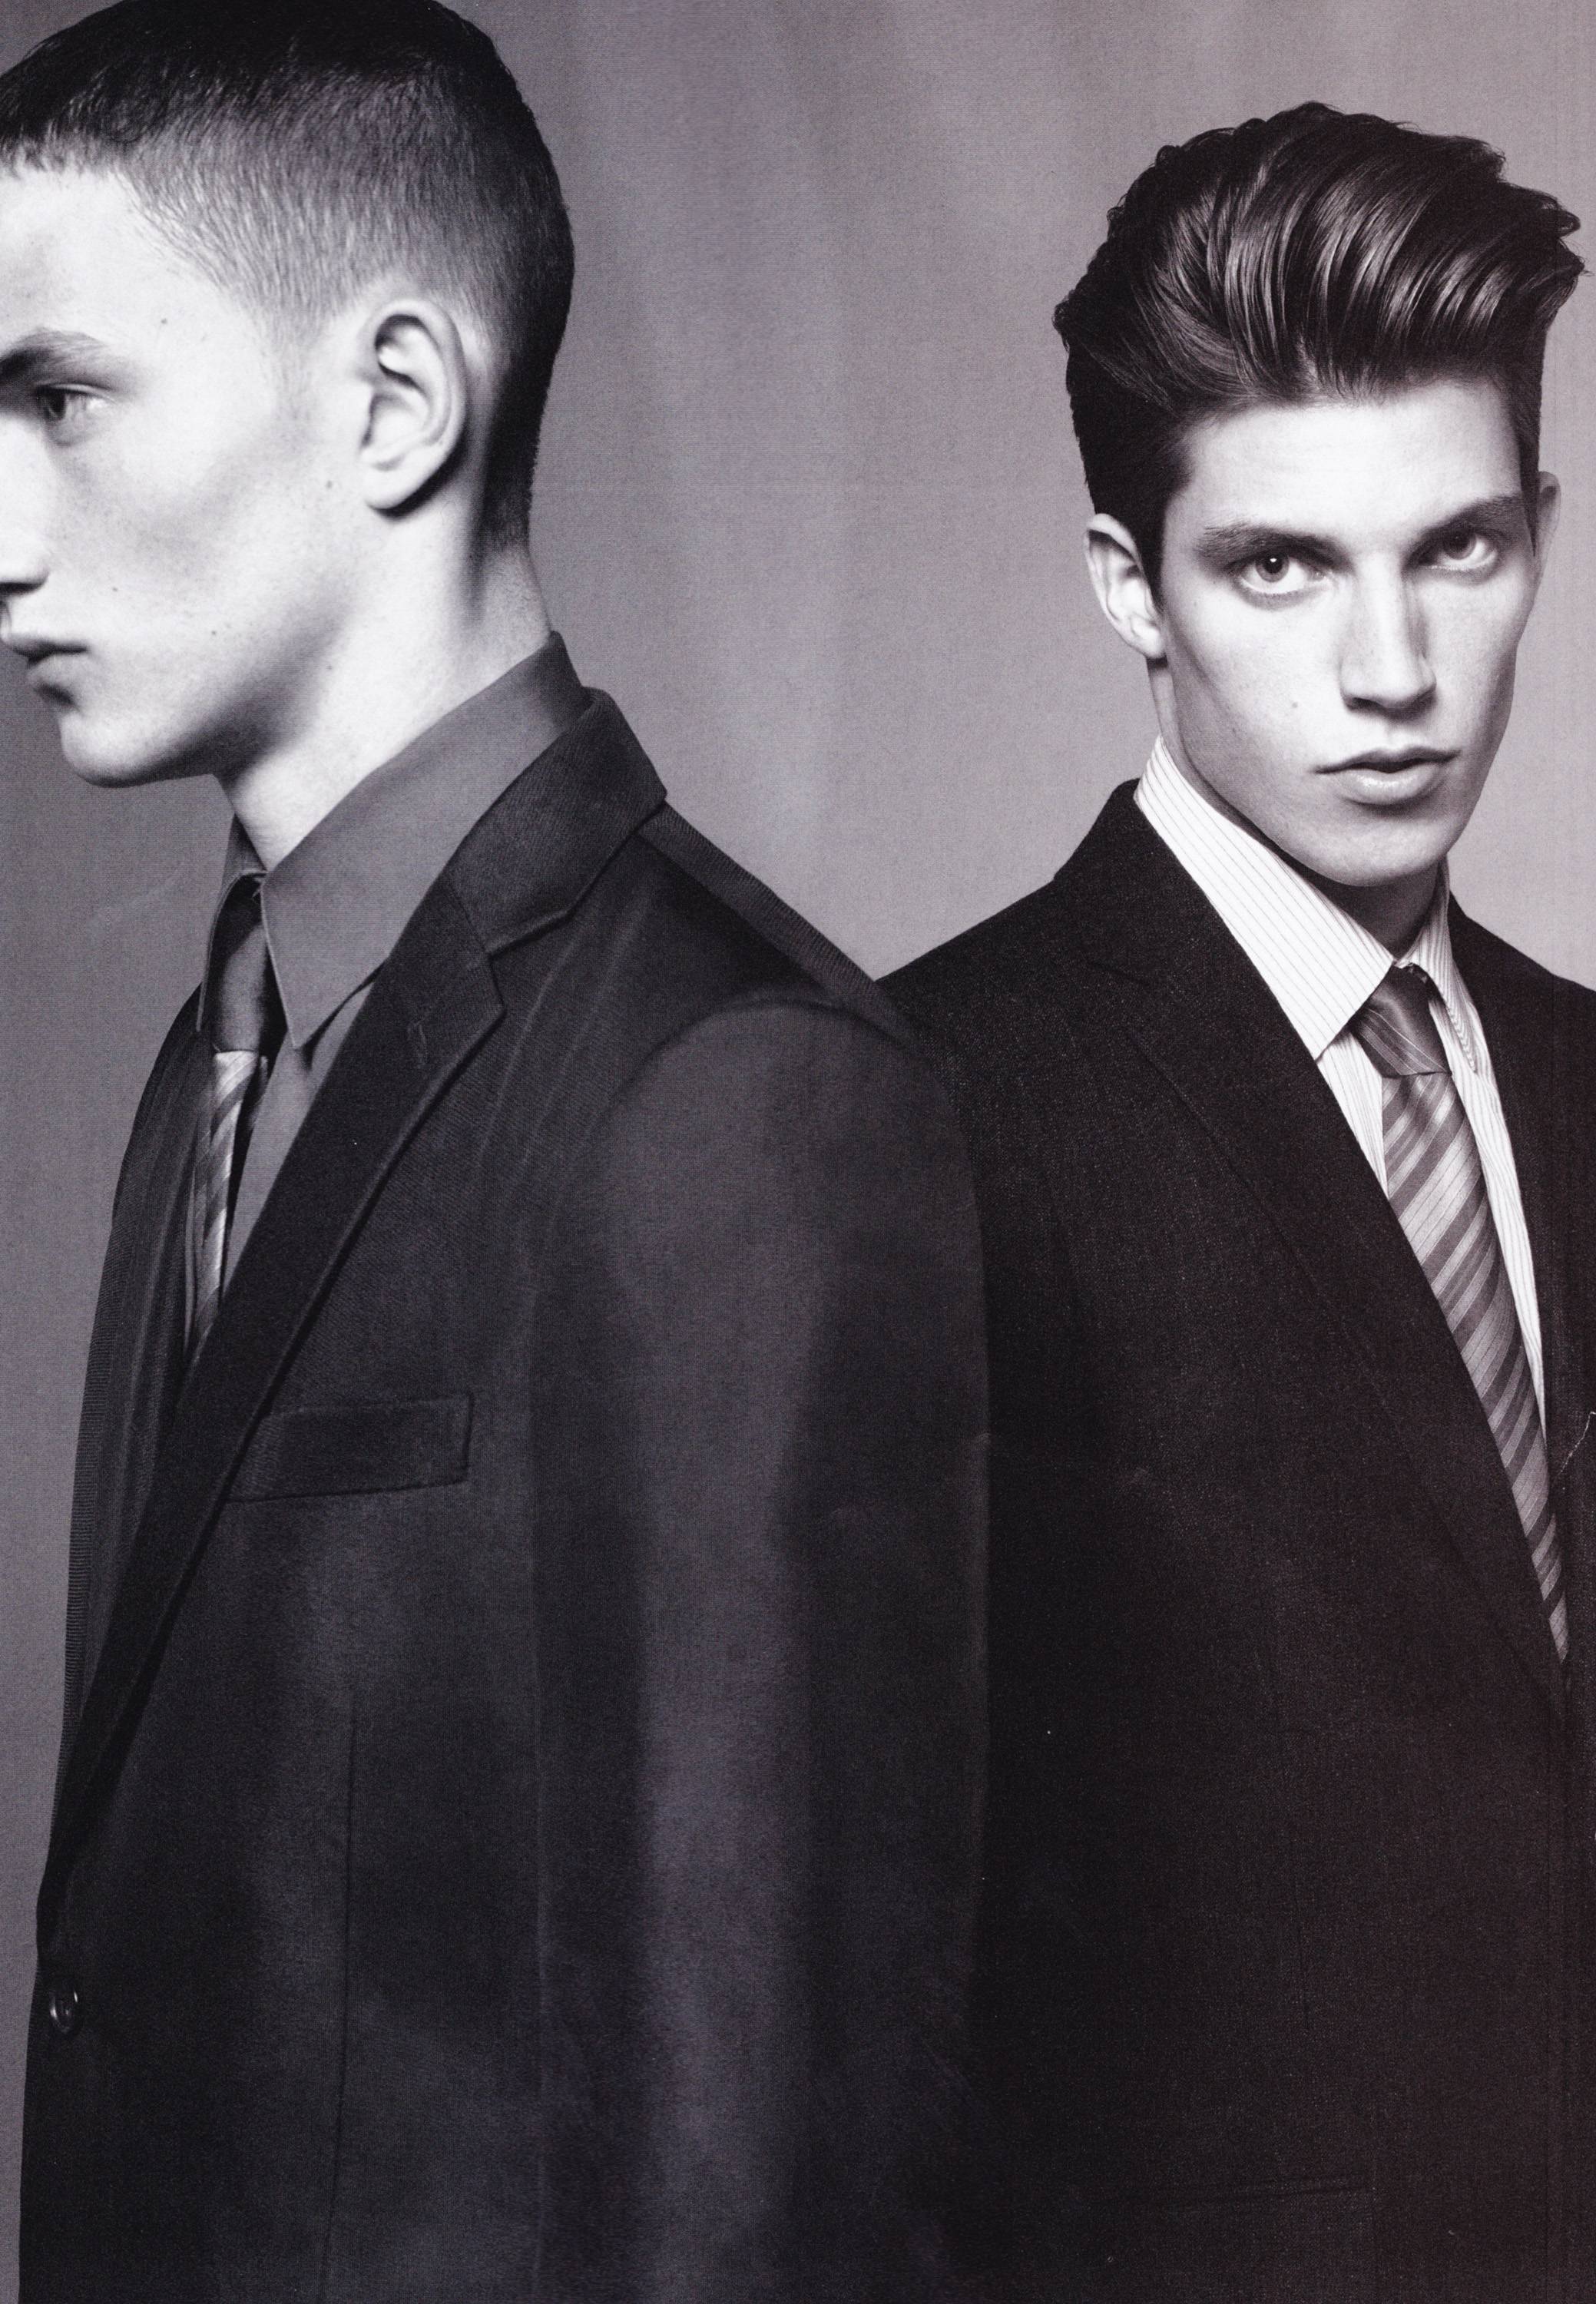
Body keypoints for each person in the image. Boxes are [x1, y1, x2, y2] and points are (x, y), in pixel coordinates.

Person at [4, 4, 986, 2296]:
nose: (6, 523)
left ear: (395, 404)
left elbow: (759, 2197)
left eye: (62, 399)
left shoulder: (734, 1092)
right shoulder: (214, 1060)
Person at [889, 103, 1596, 2302]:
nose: (1392, 670)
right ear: (1131, 583)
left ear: (1542, 532)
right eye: (1280, 566)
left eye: (1457, 549)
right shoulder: (914, 1107)